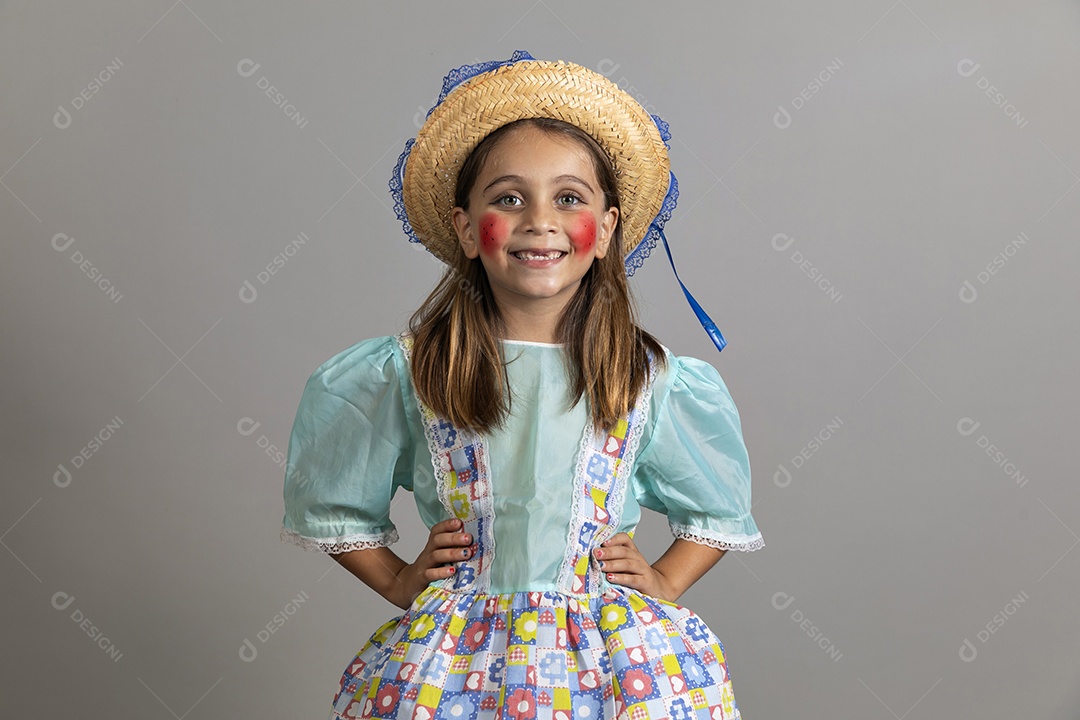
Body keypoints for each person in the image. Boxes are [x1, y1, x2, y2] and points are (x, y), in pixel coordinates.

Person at [280, 51, 764, 720]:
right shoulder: (411, 370)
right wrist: (397, 580)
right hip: (455, 664)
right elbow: (333, 502)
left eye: (569, 198)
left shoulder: (643, 377)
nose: (540, 219)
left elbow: (715, 511)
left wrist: (663, 580)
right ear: (464, 227)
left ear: (608, 230)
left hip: (610, 667)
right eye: (510, 198)